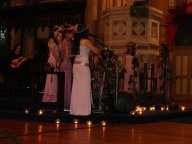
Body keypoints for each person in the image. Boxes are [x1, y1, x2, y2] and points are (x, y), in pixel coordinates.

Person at [70, 24, 100, 116]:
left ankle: (75, 110)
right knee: (85, 87)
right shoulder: (86, 41)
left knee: (77, 88)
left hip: (76, 65)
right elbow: (96, 51)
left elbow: (81, 53)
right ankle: (83, 111)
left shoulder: (76, 41)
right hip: (83, 66)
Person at [42, 26, 63, 102]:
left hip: (56, 60)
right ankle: (49, 96)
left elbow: (59, 53)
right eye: (58, 33)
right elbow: (53, 53)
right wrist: (58, 61)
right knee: (51, 78)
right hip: (52, 60)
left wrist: (59, 60)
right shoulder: (51, 40)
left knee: (55, 79)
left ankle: (54, 97)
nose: (59, 36)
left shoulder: (57, 42)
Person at [60, 26, 76, 111]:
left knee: (65, 85)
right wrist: (77, 55)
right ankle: (66, 105)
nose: (73, 35)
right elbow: (67, 55)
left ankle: (64, 104)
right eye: (72, 33)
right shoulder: (67, 42)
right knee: (67, 85)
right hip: (67, 64)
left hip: (64, 63)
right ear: (68, 34)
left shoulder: (64, 41)